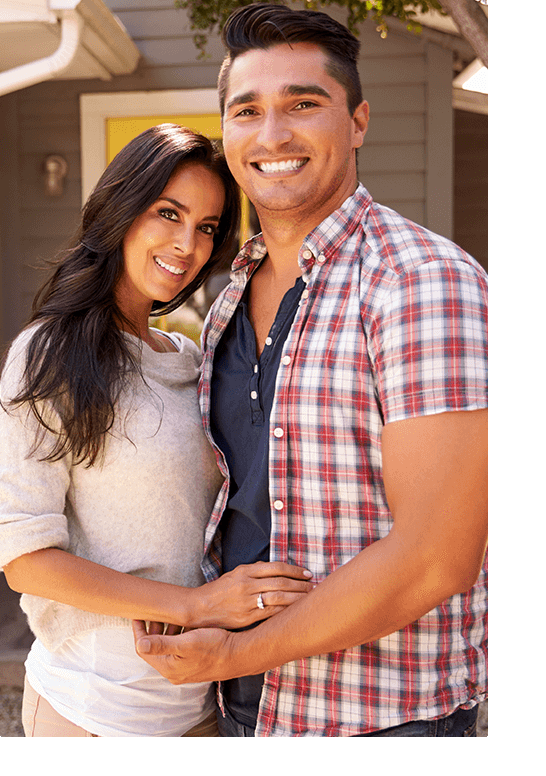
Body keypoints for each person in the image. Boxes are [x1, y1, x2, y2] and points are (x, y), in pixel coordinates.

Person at [132, 3, 488, 737]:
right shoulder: (227, 293)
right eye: (247, 111)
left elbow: (435, 559)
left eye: (303, 105)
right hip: (244, 707)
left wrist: (231, 656)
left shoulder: (420, 281)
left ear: (356, 121)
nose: (273, 135)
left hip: (380, 714)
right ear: (226, 132)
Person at [0, 124, 314, 737]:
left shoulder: (190, 357)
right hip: (92, 708)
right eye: (168, 213)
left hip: (199, 704)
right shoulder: (50, 353)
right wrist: (195, 605)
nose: (186, 244)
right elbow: (26, 560)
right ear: (121, 208)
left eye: (206, 227)